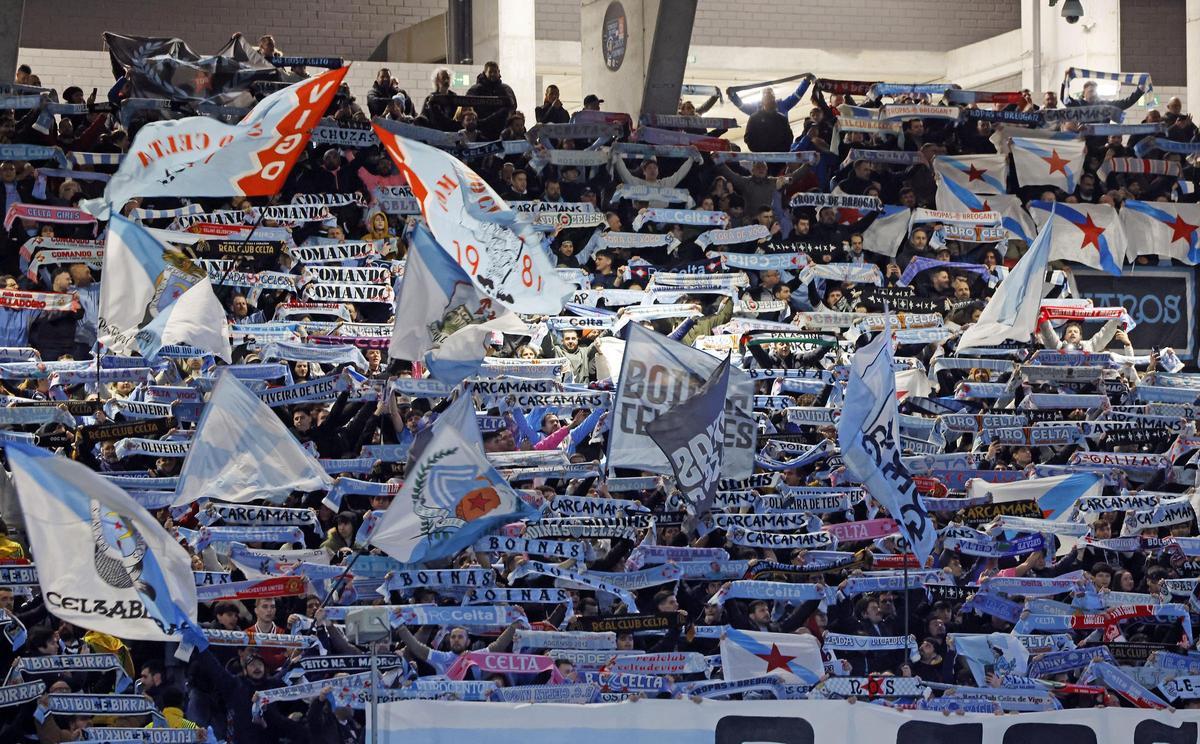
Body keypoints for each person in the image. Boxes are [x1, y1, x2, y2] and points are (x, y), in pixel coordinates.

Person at [466, 61, 517, 140]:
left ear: (499, 72)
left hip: (502, 130)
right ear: (484, 72)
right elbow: (468, 107)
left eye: (495, 72)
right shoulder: (475, 90)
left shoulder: (506, 89)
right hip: (480, 130)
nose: (493, 74)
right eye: (490, 72)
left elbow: (512, 107)